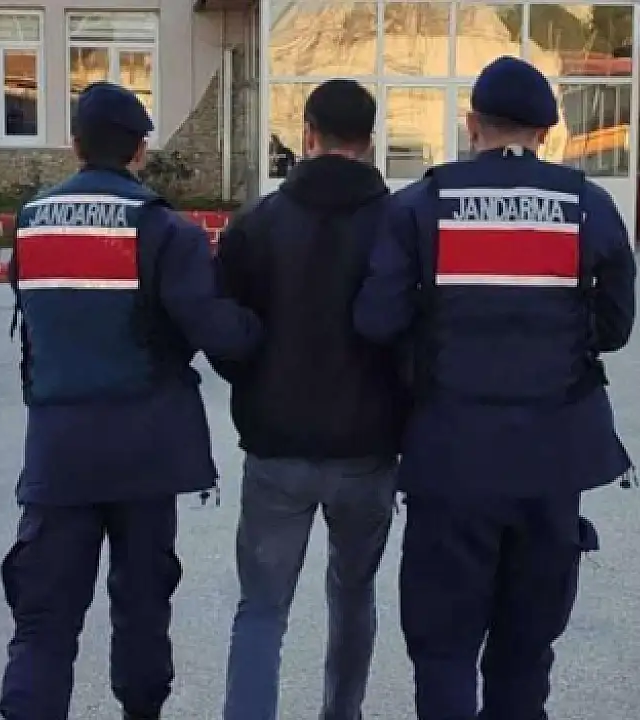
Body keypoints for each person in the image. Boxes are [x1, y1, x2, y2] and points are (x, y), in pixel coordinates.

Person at [353, 56, 638, 720]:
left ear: (472, 124)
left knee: (444, 645)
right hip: (553, 460)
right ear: (546, 131)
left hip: (450, 457)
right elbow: (615, 327)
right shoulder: (589, 206)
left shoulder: (420, 206)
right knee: (526, 645)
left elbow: (376, 320)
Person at [0, 82, 262, 720]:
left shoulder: (32, 223)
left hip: (58, 453)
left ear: (75, 146)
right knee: (142, 604)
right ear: (140, 151)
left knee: (43, 616)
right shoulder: (165, 229)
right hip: (146, 452)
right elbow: (215, 329)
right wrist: (266, 331)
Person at [212, 79, 407, 720]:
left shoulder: (257, 222)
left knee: (261, 607)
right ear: (369, 141)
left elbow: (224, 329)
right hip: (368, 449)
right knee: (353, 595)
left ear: (307, 134)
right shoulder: (399, 224)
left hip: (276, 447)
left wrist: (252, 380)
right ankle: (340, 712)